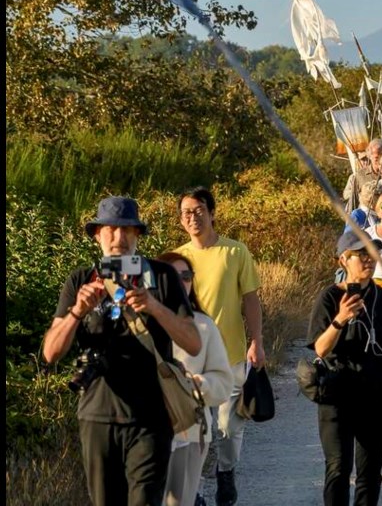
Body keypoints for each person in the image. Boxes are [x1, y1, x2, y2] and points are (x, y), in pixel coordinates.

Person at [42, 197, 202, 506]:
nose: (119, 238)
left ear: (138, 235)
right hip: (97, 417)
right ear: (97, 235)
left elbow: (193, 342)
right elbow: (50, 353)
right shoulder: (80, 280)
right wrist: (77, 311)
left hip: (151, 419)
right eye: (111, 230)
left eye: (128, 230)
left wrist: (155, 308)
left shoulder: (162, 277)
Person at [307, 229, 382, 506]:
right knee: (338, 469)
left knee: (370, 474)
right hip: (337, 395)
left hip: (374, 394)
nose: (369, 260)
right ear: (343, 261)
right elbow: (320, 349)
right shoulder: (329, 299)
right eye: (360, 255)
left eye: (371, 254)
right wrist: (341, 319)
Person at [174, 187, 263, 506]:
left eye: (198, 210)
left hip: (232, 354)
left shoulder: (235, 252)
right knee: (196, 429)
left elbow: (251, 300)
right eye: (185, 212)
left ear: (212, 213)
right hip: (191, 359)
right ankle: (194, 493)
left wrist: (258, 342)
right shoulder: (177, 259)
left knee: (227, 426)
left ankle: (226, 474)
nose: (192, 217)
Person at [157, 252, 233, 506]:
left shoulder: (203, 326)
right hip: (144, 432)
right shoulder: (138, 322)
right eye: (170, 276)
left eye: (186, 276)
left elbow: (224, 382)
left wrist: (200, 385)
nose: (180, 282)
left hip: (189, 432)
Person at [343, 138, 382, 210]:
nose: (380, 160)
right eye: (376, 157)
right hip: (366, 218)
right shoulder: (359, 176)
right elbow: (353, 200)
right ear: (370, 156)